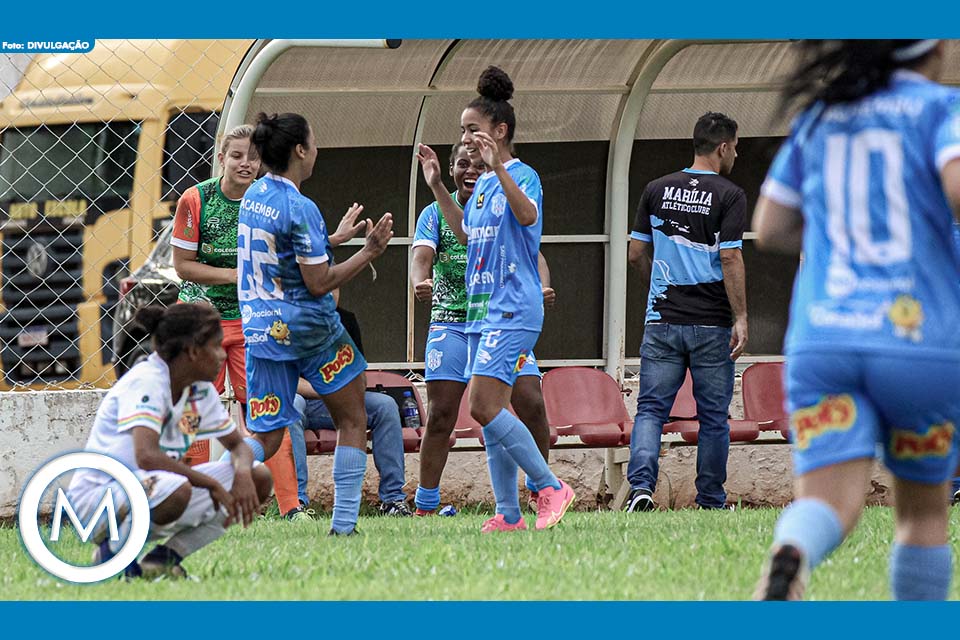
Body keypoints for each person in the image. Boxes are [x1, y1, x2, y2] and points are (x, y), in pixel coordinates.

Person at [752, 40, 960, 600]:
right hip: (917, 342)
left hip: (826, 339)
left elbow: (769, 227)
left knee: (825, 503)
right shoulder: (942, 109)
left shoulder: (822, 115)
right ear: (935, 46)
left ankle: (792, 551)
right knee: (922, 515)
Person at [417, 66, 574, 532]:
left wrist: (500, 166)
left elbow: (527, 217)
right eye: (462, 131)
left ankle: (550, 487)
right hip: (483, 310)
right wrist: (438, 186)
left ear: (498, 131)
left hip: (513, 307)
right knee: (492, 413)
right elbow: (467, 234)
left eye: (472, 130)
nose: (464, 139)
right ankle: (508, 515)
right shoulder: (482, 184)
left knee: (484, 406)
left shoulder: (521, 176)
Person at [238, 111, 393, 536]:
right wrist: (369, 252)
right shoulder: (300, 206)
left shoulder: (254, 197)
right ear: (301, 151)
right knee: (353, 417)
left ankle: (221, 472)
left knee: (267, 435)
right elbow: (318, 280)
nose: (318, 148)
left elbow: (282, 249)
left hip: (261, 332)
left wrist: (332, 240)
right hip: (310, 329)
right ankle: (344, 526)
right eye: (314, 140)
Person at [66, 303, 272, 579]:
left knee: (259, 476)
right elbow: (146, 456)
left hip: (154, 489)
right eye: (216, 346)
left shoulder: (199, 389)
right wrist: (210, 483)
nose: (223, 355)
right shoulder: (147, 381)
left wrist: (244, 472)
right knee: (178, 489)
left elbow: (238, 446)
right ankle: (112, 559)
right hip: (96, 502)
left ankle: (163, 560)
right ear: (193, 351)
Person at [411, 143, 556, 516]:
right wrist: (419, 280)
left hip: (503, 319)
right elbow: (422, 256)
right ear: (453, 169)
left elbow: (532, 253)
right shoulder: (436, 212)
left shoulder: (504, 193)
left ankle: (540, 493)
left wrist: (540, 288)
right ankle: (427, 503)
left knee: (531, 402)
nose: (470, 171)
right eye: (463, 164)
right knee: (444, 412)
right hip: (452, 323)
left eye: (477, 164)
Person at [170, 123, 300, 517]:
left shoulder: (271, 200)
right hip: (201, 323)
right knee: (192, 412)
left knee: (267, 409)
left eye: (254, 157)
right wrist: (236, 275)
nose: (246, 163)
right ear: (222, 157)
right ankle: (187, 499)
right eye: (238, 155)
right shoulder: (196, 199)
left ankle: (291, 506)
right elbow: (182, 266)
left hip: (252, 321)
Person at [624, 111, 748, 512]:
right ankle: (711, 500)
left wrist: (657, 287)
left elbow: (635, 253)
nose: (735, 156)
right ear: (724, 147)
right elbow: (730, 258)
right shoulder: (731, 195)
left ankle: (641, 489)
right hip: (711, 324)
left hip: (662, 319)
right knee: (713, 417)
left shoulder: (656, 188)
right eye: (735, 148)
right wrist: (741, 317)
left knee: (650, 410)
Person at [286, 306, 412, 519]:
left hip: (339, 399)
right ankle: (296, 503)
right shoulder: (287, 320)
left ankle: (393, 499)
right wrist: (324, 390)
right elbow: (287, 381)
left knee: (385, 405)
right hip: (305, 399)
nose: (330, 290)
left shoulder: (345, 319)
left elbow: (358, 376)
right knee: (292, 407)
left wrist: (343, 390)